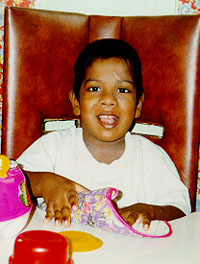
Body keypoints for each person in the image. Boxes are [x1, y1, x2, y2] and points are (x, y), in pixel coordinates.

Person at [17, 39, 191, 231]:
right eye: (94, 89)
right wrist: (44, 182)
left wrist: (150, 211)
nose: (108, 100)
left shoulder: (150, 157)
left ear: (138, 106)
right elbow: (9, 183)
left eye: (122, 90)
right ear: (76, 101)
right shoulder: (54, 147)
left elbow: (181, 211)